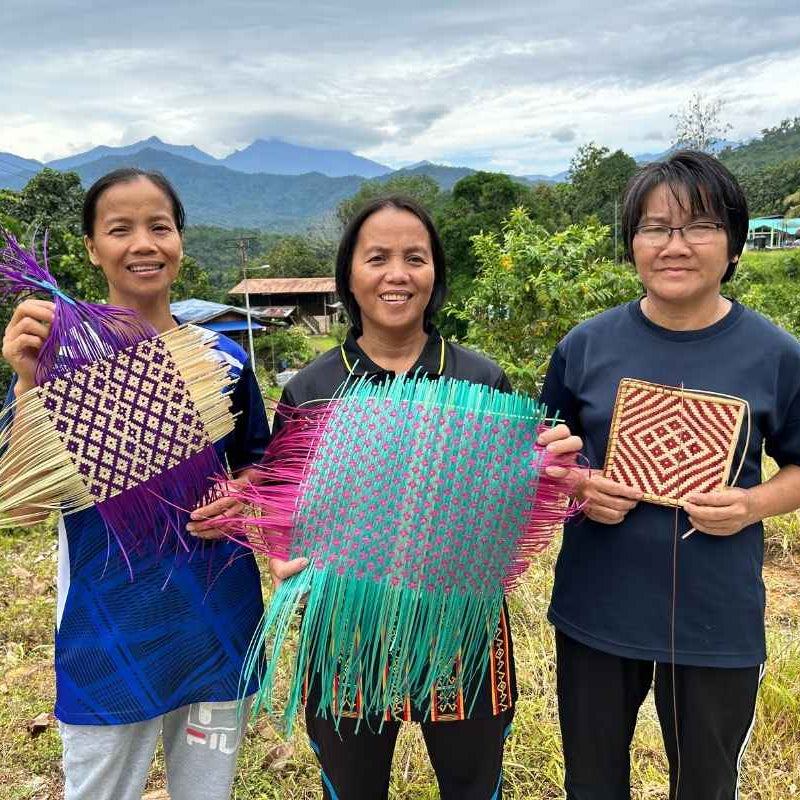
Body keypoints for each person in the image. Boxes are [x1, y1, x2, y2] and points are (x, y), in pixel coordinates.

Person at [268, 195, 582, 800]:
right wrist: (280, 554)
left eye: (415, 257)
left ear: (434, 272)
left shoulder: (480, 380)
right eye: (377, 257)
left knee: (471, 785)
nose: (397, 274)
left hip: (460, 627)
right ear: (349, 275)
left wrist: (551, 473)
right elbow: (288, 508)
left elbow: (508, 507)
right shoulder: (311, 389)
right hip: (345, 630)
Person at [1, 168, 270, 800]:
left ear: (180, 239)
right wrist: (23, 385)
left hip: (216, 621)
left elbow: (258, 464)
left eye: (160, 226)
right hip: (110, 630)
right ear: (93, 248)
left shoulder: (220, 361)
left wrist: (242, 497)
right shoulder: (58, 362)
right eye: (119, 229)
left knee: (208, 791)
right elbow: (23, 501)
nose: (143, 242)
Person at [540, 150, 800, 800]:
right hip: (597, 609)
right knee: (592, 785)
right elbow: (538, 452)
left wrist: (751, 504)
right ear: (633, 244)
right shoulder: (585, 345)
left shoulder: (776, 355)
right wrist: (577, 486)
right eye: (656, 227)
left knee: (706, 788)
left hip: (717, 616)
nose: (675, 245)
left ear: (734, 244)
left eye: (700, 226)